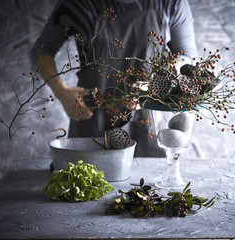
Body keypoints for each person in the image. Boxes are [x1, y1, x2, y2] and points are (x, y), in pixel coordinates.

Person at [30, 0, 197, 157]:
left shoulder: (170, 3)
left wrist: (153, 83)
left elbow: (185, 56)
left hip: (152, 121)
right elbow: (41, 49)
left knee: (153, 184)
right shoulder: (77, 4)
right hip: (93, 122)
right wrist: (61, 92)